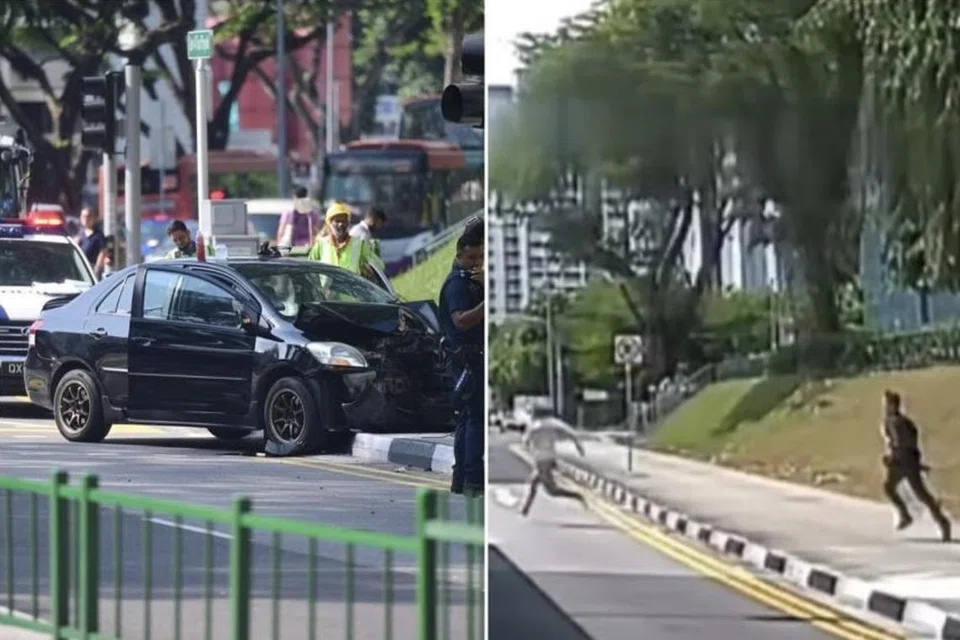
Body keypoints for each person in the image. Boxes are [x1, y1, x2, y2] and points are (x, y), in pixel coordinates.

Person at [438, 223, 485, 496]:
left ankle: (462, 480)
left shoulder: (470, 281)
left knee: (467, 419)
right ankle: (472, 479)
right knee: (474, 419)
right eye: (470, 258)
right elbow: (461, 321)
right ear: (458, 256)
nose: (475, 263)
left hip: (469, 359)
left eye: (479, 258)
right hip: (465, 360)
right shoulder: (457, 284)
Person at [880, 390, 951, 541]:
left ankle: (943, 523)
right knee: (890, 487)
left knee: (921, 494)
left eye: (886, 403)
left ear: (893, 405)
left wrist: (894, 458)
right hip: (901, 461)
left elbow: (903, 444)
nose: (884, 406)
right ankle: (906, 515)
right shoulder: (892, 421)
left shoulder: (897, 422)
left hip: (905, 462)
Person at [518, 411, 588, 516]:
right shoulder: (553, 424)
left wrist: (529, 444)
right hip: (549, 458)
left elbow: (525, 442)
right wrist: (578, 446)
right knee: (533, 483)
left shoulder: (534, 426)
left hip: (542, 461)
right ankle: (525, 509)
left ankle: (577, 496)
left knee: (552, 490)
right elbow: (570, 432)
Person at [307, 202, 384, 276]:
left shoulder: (359, 245)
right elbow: (309, 268)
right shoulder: (321, 244)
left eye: (344, 221)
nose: (341, 224)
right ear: (329, 223)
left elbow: (379, 265)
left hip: (351, 288)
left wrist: (368, 268)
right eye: (337, 221)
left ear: (348, 222)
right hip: (327, 289)